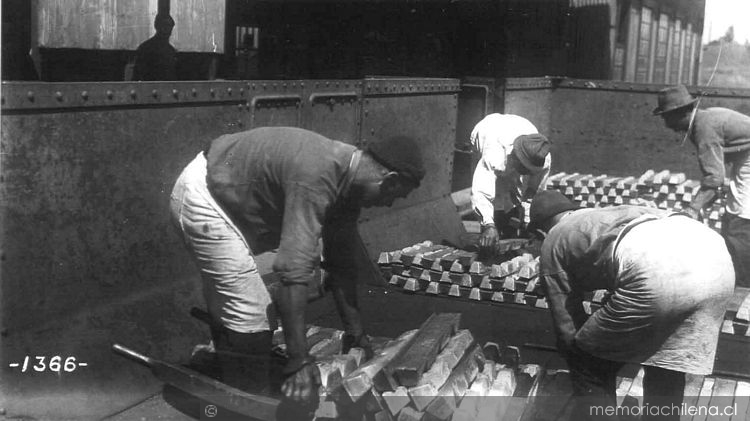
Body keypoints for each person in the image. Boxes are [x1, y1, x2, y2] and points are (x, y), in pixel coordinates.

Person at [169, 127, 424, 403]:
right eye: (394, 197)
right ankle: (248, 398)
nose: (388, 205)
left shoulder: (348, 185)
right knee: (253, 312)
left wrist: (356, 333)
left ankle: (232, 365)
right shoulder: (317, 176)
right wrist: (299, 361)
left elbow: (341, 263)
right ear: (389, 180)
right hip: (205, 197)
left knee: (241, 310)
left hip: (230, 194)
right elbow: (293, 274)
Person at [530, 190, 733, 421]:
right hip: (714, 259)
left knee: (587, 363)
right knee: (665, 361)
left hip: (655, 272)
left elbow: (565, 321)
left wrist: (580, 349)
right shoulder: (610, 214)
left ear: (540, 231)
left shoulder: (554, 237)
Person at [654, 84, 750, 287]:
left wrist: (692, 209)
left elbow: (715, 178)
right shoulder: (703, 119)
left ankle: (742, 284)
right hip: (745, 156)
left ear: (679, 113)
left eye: (665, 116)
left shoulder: (703, 128)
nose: (665, 123)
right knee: (734, 211)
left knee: (741, 216)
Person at [469, 113, 551, 251]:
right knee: (495, 191)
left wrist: (528, 221)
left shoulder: (542, 157)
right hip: (487, 129)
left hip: (520, 125)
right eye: (524, 167)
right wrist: (488, 224)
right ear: (515, 157)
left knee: (514, 193)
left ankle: (510, 222)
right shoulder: (494, 154)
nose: (526, 172)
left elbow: (534, 192)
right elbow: (481, 191)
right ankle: (491, 230)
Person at [133, 14, 177, 81]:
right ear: (157, 26)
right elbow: (138, 75)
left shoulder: (171, 51)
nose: (167, 29)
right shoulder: (145, 49)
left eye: (169, 26)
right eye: (164, 26)